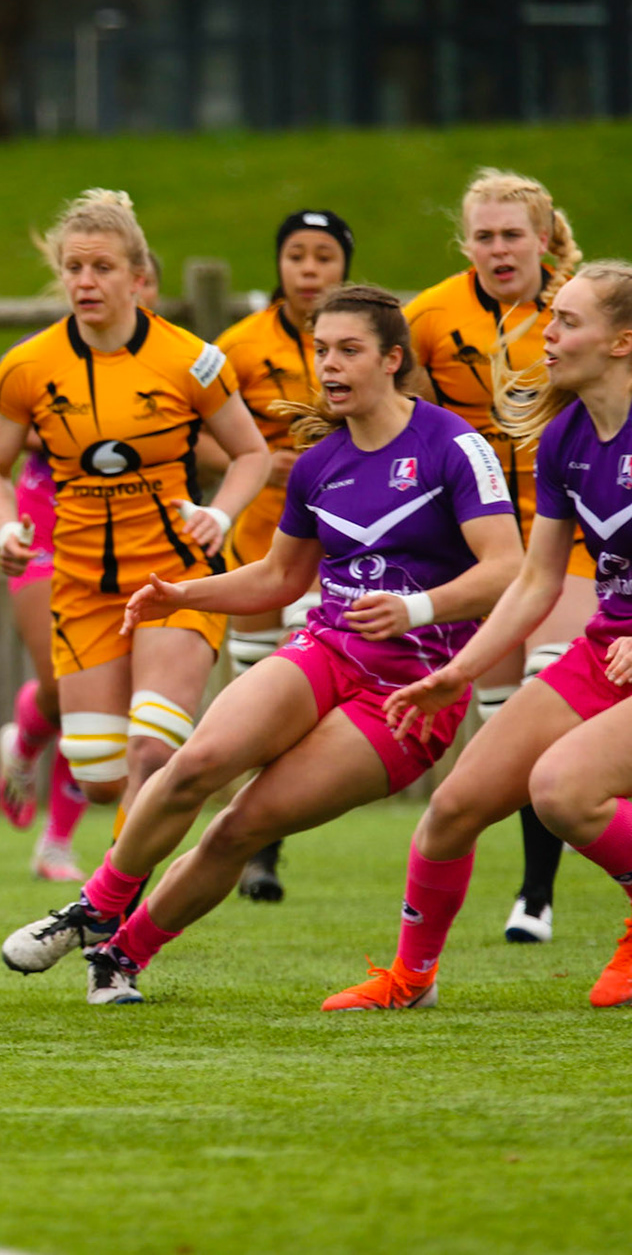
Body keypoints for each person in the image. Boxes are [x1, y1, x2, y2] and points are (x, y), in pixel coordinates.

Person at [0, 286, 523, 1002]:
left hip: (408, 695)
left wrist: (415, 607)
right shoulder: (317, 464)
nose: (329, 365)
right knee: (196, 764)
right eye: (321, 351)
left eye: (348, 350)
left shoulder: (453, 445)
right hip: (328, 650)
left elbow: (508, 569)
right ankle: (95, 905)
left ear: (393, 359)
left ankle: (123, 955)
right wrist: (185, 592)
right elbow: (281, 577)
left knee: (239, 827)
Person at [323, 261, 632, 1012]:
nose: (547, 333)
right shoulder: (565, 439)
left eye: (567, 321)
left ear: (623, 341)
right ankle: (411, 981)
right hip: (606, 649)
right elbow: (535, 580)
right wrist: (461, 670)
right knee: (454, 808)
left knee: (561, 791)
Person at [0, 189, 269, 849]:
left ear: (139, 277)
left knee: (151, 753)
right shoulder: (27, 366)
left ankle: (110, 904)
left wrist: (219, 516)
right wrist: (3, 528)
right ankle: (111, 872)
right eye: (74, 268)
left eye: (101, 267)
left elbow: (252, 453)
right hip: (80, 585)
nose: (85, 281)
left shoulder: (192, 359)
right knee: (101, 775)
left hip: (175, 578)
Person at [404, 169, 591, 944]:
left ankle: (536, 896)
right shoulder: (426, 318)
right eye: (484, 235)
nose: (498, 247)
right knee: (501, 715)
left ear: (544, 238)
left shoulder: (585, 307)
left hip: (579, 531)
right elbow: (410, 425)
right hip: (485, 542)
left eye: (513, 233)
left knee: (551, 679)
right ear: (464, 243)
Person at [0, 257, 167, 882]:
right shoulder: (38, 361)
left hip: (130, 540)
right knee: (65, 685)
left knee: (108, 702)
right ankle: (26, 738)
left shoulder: (168, 363)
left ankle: (56, 844)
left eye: (124, 275)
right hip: (47, 527)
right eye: (81, 269)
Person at [211, 209, 355, 903]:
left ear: (344, 268)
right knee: (261, 698)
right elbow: (198, 433)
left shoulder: (372, 341)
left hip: (352, 555)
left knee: (314, 701)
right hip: (265, 543)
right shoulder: (237, 345)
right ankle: (261, 851)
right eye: (296, 255)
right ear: (279, 264)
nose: (309, 270)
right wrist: (262, 463)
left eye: (324, 257)